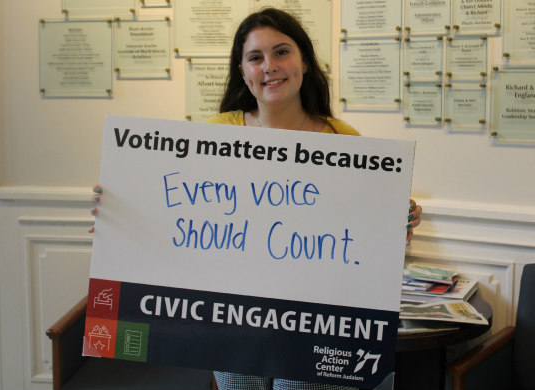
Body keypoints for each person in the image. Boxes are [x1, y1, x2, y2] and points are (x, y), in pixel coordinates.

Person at [91, 7, 422, 390]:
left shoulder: (343, 141)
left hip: (314, 318)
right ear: (243, 71)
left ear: (305, 62)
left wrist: (401, 221)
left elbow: (369, 235)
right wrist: (116, 212)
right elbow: (169, 216)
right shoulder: (213, 136)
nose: (270, 66)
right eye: (255, 57)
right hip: (232, 314)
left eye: (282, 52)